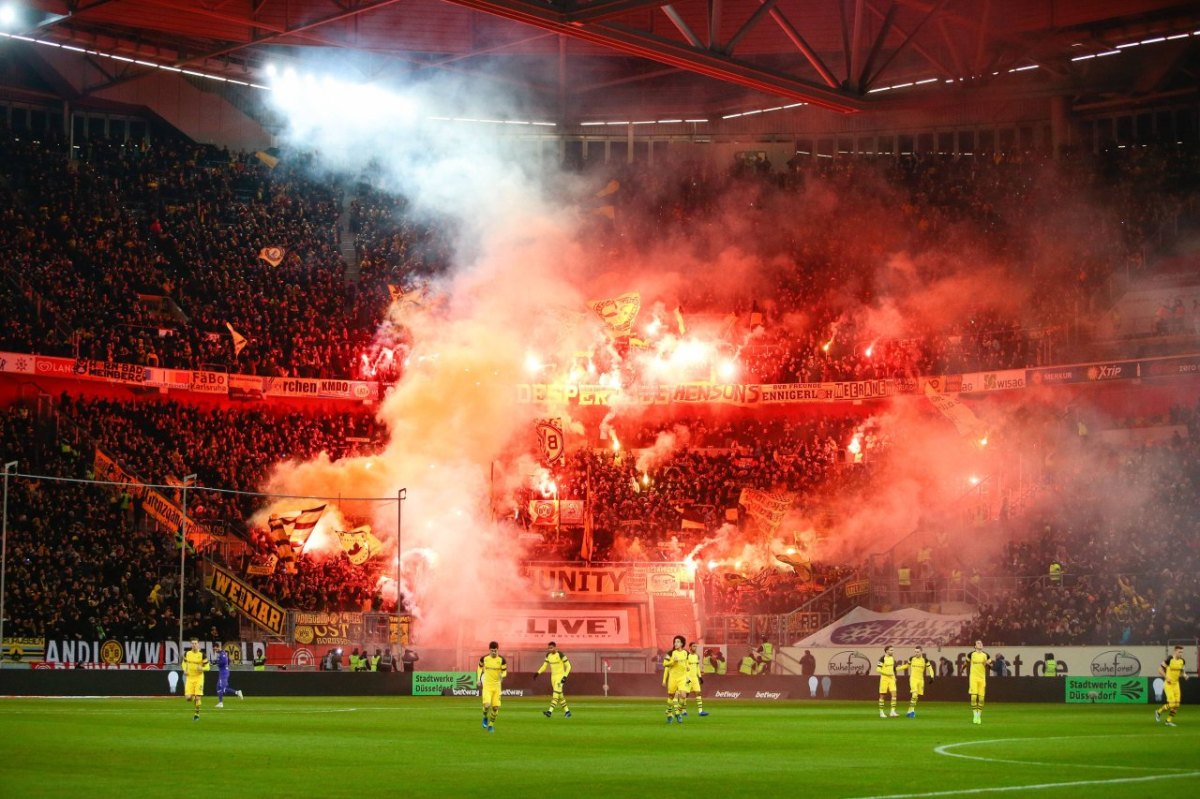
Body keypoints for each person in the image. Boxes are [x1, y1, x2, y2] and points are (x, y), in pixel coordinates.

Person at [534, 640, 572, 718]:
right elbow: (544, 666)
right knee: (560, 696)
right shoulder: (548, 655)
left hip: (560, 677)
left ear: (555, 647)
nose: (550, 650)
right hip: (553, 677)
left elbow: (568, 666)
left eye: (551, 648)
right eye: (548, 648)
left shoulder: (560, 654)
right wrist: (538, 673)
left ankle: (549, 712)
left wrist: (565, 676)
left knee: (555, 695)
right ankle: (567, 712)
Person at [477, 641, 507, 733]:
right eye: (492, 650)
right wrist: (478, 679)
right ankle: (485, 717)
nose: (494, 652)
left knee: (495, 708)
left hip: (497, 687)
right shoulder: (484, 658)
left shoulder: (502, 660)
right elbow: (479, 668)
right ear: (489, 650)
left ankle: (491, 725)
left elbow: (505, 671)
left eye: (495, 650)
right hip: (487, 686)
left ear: (498, 650)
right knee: (486, 706)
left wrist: (503, 675)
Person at [1155, 645, 1188, 727]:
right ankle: (1158, 712)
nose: (1181, 654)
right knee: (1172, 703)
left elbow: (1182, 671)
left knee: (1177, 704)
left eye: (1182, 652)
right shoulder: (1169, 659)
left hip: (1176, 684)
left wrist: (1184, 675)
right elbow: (1159, 669)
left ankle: (1168, 721)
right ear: (1175, 651)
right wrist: (1166, 677)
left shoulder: (1182, 661)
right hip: (1168, 684)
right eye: (1179, 652)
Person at [662, 634, 689, 723]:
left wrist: (688, 668)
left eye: (678, 642)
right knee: (671, 696)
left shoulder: (686, 653)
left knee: (683, 696)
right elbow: (665, 664)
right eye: (675, 642)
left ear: (682, 644)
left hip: (682, 677)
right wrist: (673, 661)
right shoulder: (670, 653)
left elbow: (686, 663)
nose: (675, 643)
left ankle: (678, 712)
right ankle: (670, 713)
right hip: (673, 677)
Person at [900, 645, 934, 718]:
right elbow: (906, 666)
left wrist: (932, 676)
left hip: (920, 680)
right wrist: (896, 669)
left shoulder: (925, 660)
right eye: (915, 652)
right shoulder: (912, 659)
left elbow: (930, 668)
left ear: (921, 652)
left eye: (918, 652)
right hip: (913, 679)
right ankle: (912, 711)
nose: (916, 653)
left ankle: (910, 711)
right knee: (914, 694)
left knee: (915, 696)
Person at [181, 637, 209, 721]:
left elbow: (208, 667)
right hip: (189, 678)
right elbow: (184, 663)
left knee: (198, 698)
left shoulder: (202, 655)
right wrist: (184, 670)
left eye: (195, 643)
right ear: (191, 644)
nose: (194, 645)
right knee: (188, 698)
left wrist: (202, 668)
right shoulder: (187, 653)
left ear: (198, 644)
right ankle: (194, 697)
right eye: (192, 643)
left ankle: (197, 714)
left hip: (199, 678)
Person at [969, 640, 994, 725]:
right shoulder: (971, 654)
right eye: (978, 643)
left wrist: (988, 663)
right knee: (973, 697)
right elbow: (966, 662)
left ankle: (979, 715)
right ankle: (975, 715)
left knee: (981, 699)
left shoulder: (985, 655)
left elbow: (991, 665)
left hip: (982, 679)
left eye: (981, 643)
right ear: (975, 646)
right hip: (973, 678)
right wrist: (962, 668)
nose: (980, 644)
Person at [213, 642, 244, 707]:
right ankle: (236, 693)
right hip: (222, 672)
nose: (215, 650)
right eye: (214, 649)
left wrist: (217, 663)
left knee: (222, 688)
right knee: (219, 687)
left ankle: (236, 693)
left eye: (216, 649)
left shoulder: (222, 653)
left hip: (224, 673)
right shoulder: (221, 654)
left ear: (219, 647)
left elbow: (224, 662)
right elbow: (228, 661)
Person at [684, 641, 708, 717]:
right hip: (688, 678)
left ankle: (700, 711)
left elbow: (697, 667)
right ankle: (683, 711)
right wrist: (686, 678)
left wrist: (700, 677)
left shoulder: (696, 656)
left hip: (695, 678)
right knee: (686, 694)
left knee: (698, 693)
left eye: (696, 646)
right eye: (694, 646)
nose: (695, 648)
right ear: (690, 647)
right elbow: (684, 667)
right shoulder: (686, 656)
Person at [876, 645, 899, 718]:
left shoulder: (892, 658)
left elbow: (893, 669)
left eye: (893, 650)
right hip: (884, 679)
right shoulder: (882, 658)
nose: (892, 651)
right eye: (891, 650)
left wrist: (894, 677)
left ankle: (892, 711)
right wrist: (887, 674)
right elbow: (878, 669)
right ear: (886, 651)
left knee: (894, 694)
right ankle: (881, 712)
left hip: (891, 679)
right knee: (882, 695)